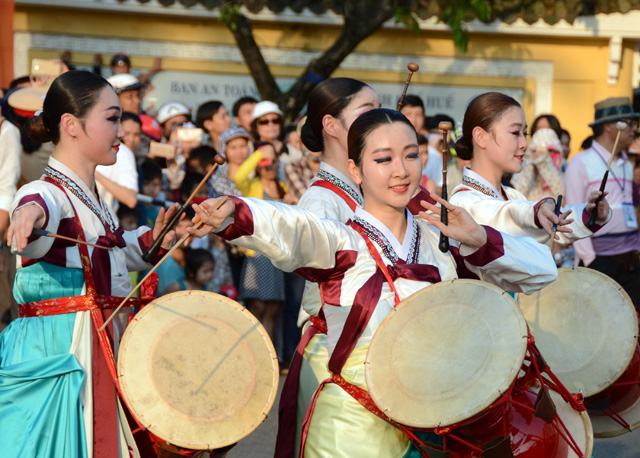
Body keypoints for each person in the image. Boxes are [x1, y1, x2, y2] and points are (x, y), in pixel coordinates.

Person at [188, 108, 559, 458]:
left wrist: (478, 237)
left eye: (411, 156)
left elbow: (542, 271)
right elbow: (295, 226)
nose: (401, 171)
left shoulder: (441, 241)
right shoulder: (342, 241)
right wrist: (237, 211)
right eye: (383, 159)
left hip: (432, 418)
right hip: (352, 425)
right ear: (356, 169)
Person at [0, 70, 178, 458]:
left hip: (93, 345)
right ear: (71, 125)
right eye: (112, 118)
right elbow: (38, 206)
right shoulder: (46, 191)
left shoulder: (88, 195)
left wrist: (158, 238)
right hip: (64, 353)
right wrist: (26, 215)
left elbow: (109, 252)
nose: (121, 130)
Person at [449, 92, 610, 248]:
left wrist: (590, 213)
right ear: (480, 137)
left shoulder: (512, 195)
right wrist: (536, 211)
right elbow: (508, 217)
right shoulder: (463, 201)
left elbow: (549, 226)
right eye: (515, 132)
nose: (524, 144)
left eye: (525, 134)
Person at [565, 96, 640, 308]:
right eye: (629, 123)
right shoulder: (580, 163)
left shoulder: (626, 163)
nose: (634, 129)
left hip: (632, 259)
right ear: (609, 125)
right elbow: (573, 214)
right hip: (601, 260)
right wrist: (591, 260)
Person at [234, 142, 294, 339]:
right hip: (258, 250)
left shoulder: (284, 187)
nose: (269, 168)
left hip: (279, 251)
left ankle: (269, 352)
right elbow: (239, 176)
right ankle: (253, 348)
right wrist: (259, 155)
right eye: (265, 164)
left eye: (272, 162)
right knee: (257, 306)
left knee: (273, 308)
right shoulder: (252, 185)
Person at [511, 127, 565, 201]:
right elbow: (515, 196)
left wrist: (547, 168)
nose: (545, 155)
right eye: (538, 151)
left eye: (550, 151)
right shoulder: (522, 168)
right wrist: (529, 167)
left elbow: (564, 197)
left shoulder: (564, 169)